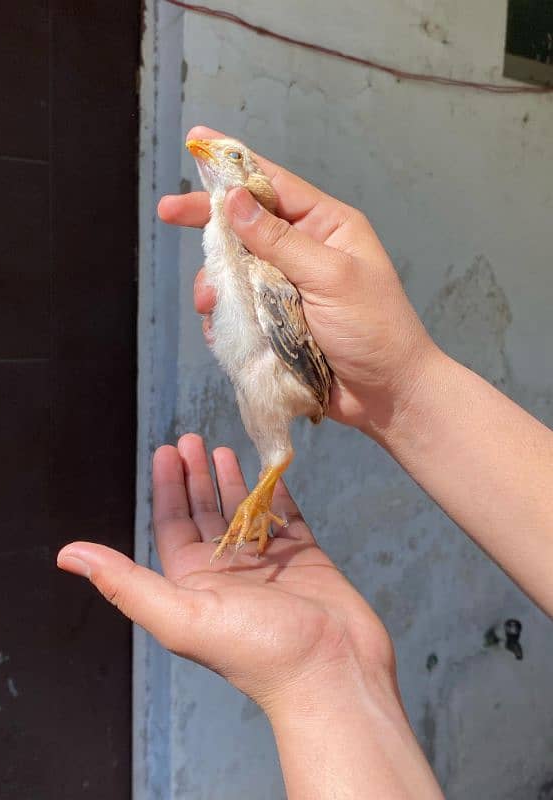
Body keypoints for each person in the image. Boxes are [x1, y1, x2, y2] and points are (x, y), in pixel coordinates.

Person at [58, 127, 553, 798]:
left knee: (267, 417)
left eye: (231, 156)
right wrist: (323, 675)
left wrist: (393, 386)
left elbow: (302, 359)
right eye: (216, 154)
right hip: (267, 388)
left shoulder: (265, 269)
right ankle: (269, 471)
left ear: (249, 186)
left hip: (286, 383)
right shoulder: (233, 250)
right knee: (254, 396)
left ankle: (269, 474)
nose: (210, 155)